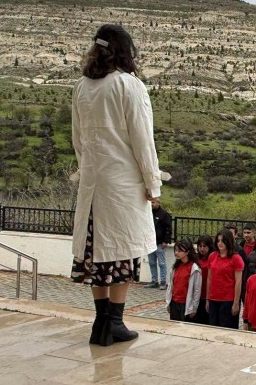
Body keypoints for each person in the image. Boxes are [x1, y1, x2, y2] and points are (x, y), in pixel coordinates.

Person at [68, 24, 162, 346]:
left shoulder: (82, 87)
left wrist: (88, 169)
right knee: (122, 252)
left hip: (93, 184)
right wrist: (152, 184)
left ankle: (100, 322)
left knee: (97, 253)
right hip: (122, 185)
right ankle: (116, 323)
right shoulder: (129, 85)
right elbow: (143, 141)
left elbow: (77, 139)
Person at [205, 229, 244, 329]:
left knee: (227, 329)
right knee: (213, 328)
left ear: (229, 241)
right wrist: (207, 299)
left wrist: (236, 303)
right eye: (218, 241)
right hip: (213, 298)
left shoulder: (236, 258)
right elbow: (209, 279)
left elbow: (238, 282)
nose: (220, 243)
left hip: (228, 300)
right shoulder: (212, 256)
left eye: (223, 241)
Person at [165, 240, 201, 322]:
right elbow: (171, 285)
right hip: (174, 302)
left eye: (179, 251)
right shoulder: (175, 267)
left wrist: (194, 308)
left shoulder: (194, 268)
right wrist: (168, 302)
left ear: (187, 252)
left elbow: (197, 290)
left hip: (186, 304)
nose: (176, 253)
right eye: (175, 250)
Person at [145, 199, 172, 290]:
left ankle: (163, 282)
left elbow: (168, 228)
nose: (151, 204)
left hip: (160, 243)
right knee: (152, 263)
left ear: (158, 203)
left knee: (161, 263)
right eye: (151, 202)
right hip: (150, 243)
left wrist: (166, 241)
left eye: (153, 202)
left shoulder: (164, 214)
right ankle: (154, 281)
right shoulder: (148, 213)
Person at [192, 234, 215, 325]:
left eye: (204, 246)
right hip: (197, 294)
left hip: (208, 294)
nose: (202, 249)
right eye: (200, 246)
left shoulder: (213, 258)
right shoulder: (195, 258)